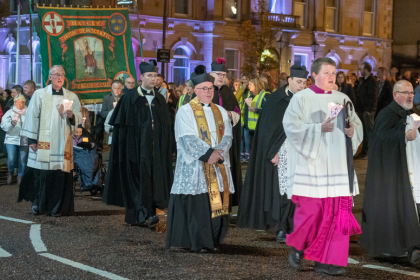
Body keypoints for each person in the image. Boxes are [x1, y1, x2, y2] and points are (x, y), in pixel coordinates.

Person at [284, 58, 363, 275]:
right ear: (314, 75)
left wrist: (352, 131)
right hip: (312, 165)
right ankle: (298, 245)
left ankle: (329, 261)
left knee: (337, 214)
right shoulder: (302, 98)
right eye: (326, 72)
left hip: (338, 165)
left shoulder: (343, 98)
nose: (331, 76)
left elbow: (356, 122)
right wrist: (319, 128)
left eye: (334, 72)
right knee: (311, 212)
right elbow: (291, 127)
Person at [237, 64, 308, 243]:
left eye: (305, 82)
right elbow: (269, 128)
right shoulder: (276, 99)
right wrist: (272, 150)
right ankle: (281, 226)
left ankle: (296, 225)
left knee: (298, 191)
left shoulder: (308, 99)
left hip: (301, 151)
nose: (302, 86)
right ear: (290, 80)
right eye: (298, 82)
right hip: (282, 151)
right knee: (282, 191)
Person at [166, 66, 233, 252]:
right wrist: (208, 154)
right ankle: (198, 242)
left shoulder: (220, 110)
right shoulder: (185, 111)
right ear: (195, 90)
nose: (208, 92)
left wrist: (219, 151)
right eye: (204, 88)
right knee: (199, 206)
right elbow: (186, 138)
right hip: (196, 165)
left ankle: (213, 240)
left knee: (217, 204)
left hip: (216, 163)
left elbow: (228, 135)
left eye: (210, 88)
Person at [103, 59, 173, 228]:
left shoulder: (160, 100)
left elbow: (166, 126)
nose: (153, 79)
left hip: (155, 150)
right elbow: (122, 128)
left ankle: (149, 213)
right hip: (136, 149)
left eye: (155, 76)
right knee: (137, 180)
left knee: (153, 180)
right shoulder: (130, 99)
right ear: (141, 77)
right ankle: (143, 214)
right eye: (149, 75)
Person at [361, 80, 420, 265]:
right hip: (392, 173)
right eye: (405, 92)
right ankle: (395, 247)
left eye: (411, 92)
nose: (410, 95)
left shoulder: (412, 113)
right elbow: (379, 140)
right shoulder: (387, 114)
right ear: (395, 94)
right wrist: (403, 134)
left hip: (411, 168)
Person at [18, 65, 82, 217]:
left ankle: (58, 208)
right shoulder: (40, 94)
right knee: (42, 175)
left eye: (62, 74)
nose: (60, 77)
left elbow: (79, 118)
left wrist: (72, 116)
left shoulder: (71, 96)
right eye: (56, 74)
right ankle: (39, 205)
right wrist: (32, 139)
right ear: (50, 77)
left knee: (61, 175)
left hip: (63, 142)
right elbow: (32, 116)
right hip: (43, 141)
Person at [210, 58, 242, 205]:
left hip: (226, 139)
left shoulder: (229, 92)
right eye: (218, 74)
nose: (221, 77)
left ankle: (226, 202)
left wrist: (229, 114)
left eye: (223, 74)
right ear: (211, 74)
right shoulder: (206, 90)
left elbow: (237, 112)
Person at [1, 94, 26, 185]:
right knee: (11, 158)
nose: (18, 104)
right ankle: (10, 172)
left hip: (24, 139)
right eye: (16, 102)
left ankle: (20, 175)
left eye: (20, 102)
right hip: (11, 139)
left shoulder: (28, 112)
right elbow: (3, 126)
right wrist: (11, 124)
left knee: (22, 159)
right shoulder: (10, 112)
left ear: (24, 102)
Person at [355, 62, 379, 160]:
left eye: (361, 69)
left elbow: (373, 97)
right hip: (362, 110)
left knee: (369, 132)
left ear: (366, 70)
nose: (360, 70)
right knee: (364, 131)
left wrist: (369, 110)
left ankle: (369, 152)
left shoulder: (372, 81)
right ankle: (364, 151)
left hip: (368, 111)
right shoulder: (363, 80)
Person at [242, 77, 267, 161]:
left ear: (256, 85)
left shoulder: (265, 95)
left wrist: (256, 110)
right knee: (253, 151)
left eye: (250, 84)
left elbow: (267, 111)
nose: (248, 86)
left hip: (260, 129)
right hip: (251, 128)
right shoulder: (250, 95)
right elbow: (246, 111)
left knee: (259, 151)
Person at [101, 80, 123, 144]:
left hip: (122, 126)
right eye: (115, 88)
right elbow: (103, 113)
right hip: (111, 127)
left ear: (121, 88)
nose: (117, 90)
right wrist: (112, 112)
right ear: (112, 88)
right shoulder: (107, 98)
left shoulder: (124, 97)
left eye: (118, 88)